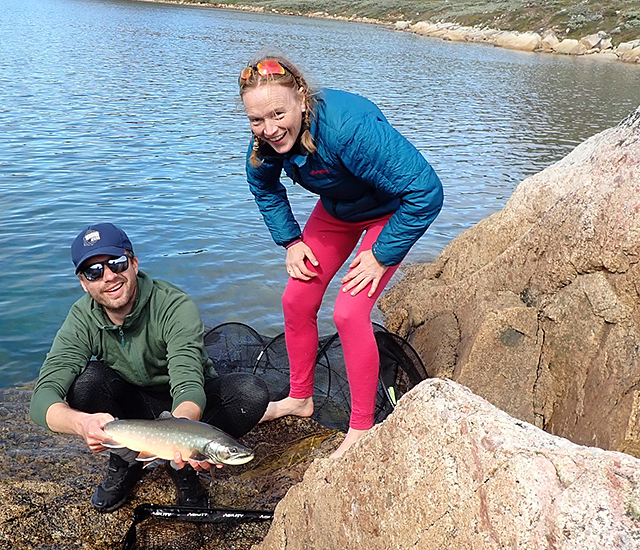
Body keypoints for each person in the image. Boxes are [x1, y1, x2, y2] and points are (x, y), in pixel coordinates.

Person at [238, 56, 444, 458]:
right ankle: (300, 398)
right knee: (296, 299)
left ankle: (362, 427)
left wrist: (381, 255)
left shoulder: (348, 130)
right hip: (338, 211)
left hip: (392, 211)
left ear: (301, 97)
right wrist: (292, 242)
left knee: (349, 312)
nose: (269, 129)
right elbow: (263, 187)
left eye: (278, 114)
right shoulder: (266, 142)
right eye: (256, 120)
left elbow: (427, 191)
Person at [29, 222, 269, 512]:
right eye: (94, 272)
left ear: (133, 263)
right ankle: (125, 460)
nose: (108, 277)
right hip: (135, 406)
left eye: (116, 263)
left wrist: (183, 435)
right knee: (86, 383)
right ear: (83, 282)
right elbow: (43, 397)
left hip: (186, 408)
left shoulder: (173, 305)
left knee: (250, 393)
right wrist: (82, 424)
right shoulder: (82, 318)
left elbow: (189, 382)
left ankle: (184, 470)